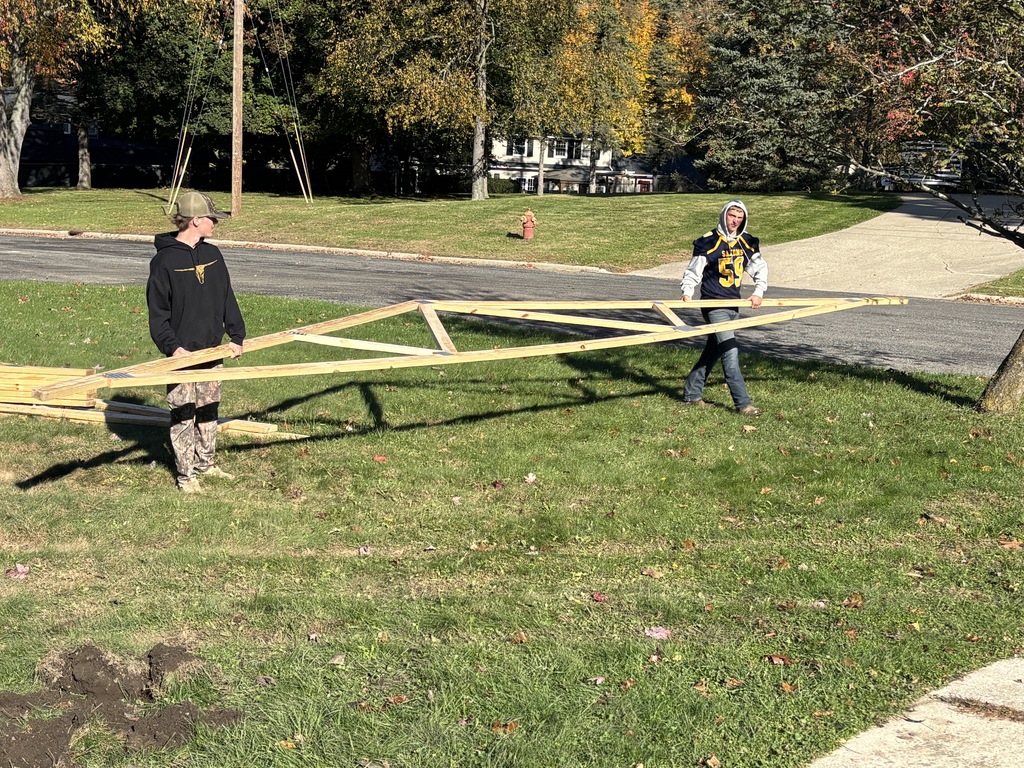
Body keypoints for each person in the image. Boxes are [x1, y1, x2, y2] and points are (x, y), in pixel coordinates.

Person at [147, 191, 245, 493]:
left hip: (212, 350)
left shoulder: (213, 255)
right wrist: (173, 348)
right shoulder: (164, 262)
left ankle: (206, 462)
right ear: (195, 221)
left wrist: (236, 335)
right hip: (181, 354)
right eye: (212, 219)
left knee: (208, 407)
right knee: (183, 412)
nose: (215, 223)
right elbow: (158, 313)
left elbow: (227, 297)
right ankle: (186, 475)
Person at [679, 199, 767, 416]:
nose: (735, 221)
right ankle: (743, 404)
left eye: (739, 217)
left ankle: (691, 394)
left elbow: (760, 269)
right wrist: (687, 291)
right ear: (724, 215)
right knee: (730, 351)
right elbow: (693, 271)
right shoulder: (708, 242)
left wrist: (758, 292)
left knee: (714, 350)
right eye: (731, 215)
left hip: (733, 305)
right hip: (714, 305)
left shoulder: (747, 243)